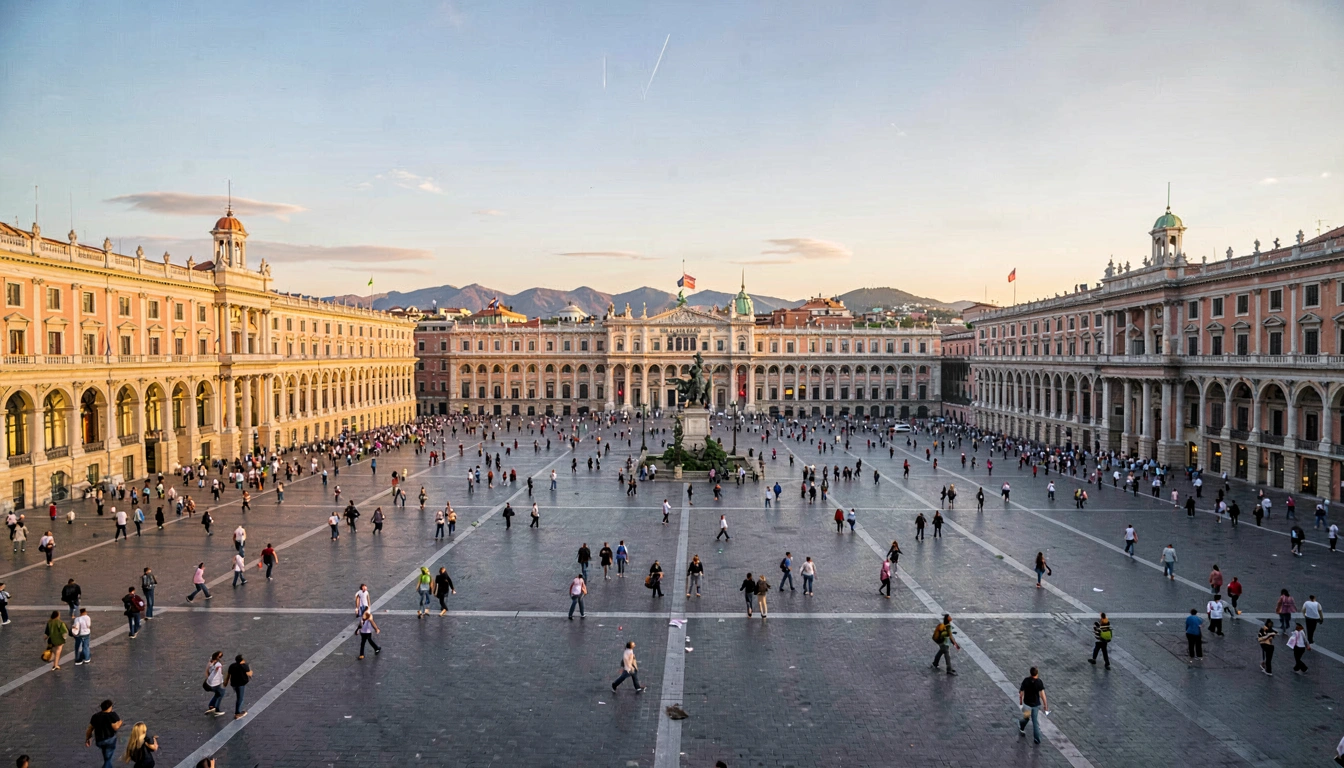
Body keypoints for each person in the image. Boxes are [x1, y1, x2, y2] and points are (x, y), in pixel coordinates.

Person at [85, 699, 123, 768]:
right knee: (108, 760)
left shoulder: (95, 716)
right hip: (109, 740)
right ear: (110, 707)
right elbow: (116, 727)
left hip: (99, 741)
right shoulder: (112, 715)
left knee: (106, 756)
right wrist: (120, 722)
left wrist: (88, 738)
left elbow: (89, 729)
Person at [1018, 667, 1046, 744]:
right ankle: (1037, 739)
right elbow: (1043, 695)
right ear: (1037, 673)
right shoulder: (1039, 682)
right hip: (1035, 705)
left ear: (1030, 673)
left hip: (1027, 704)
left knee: (1026, 718)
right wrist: (1045, 705)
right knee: (1035, 722)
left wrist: (1020, 701)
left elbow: (1021, 693)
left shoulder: (1026, 680)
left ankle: (1021, 726)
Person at [225, 653, 252, 719]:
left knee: (239, 696)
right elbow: (250, 674)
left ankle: (238, 711)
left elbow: (228, 675)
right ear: (242, 660)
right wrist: (250, 670)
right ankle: (237, 713)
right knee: (240, 698)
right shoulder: (244, 666)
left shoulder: (232, 666)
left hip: (234, 684)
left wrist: (225, 682)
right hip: (241, 684)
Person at [205, 651, 227, 715]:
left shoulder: (210, 662)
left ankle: (211, 705)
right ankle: (217, 709)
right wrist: (223, 682)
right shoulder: (218, 665)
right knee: (221, 694)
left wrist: (208, 679)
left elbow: (207, 671)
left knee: (217, 693)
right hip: (216, 683)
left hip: (210, 682)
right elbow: (219, 674)